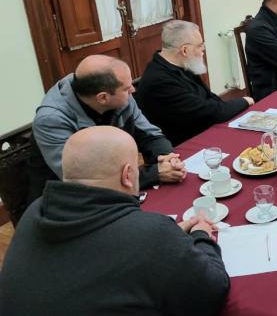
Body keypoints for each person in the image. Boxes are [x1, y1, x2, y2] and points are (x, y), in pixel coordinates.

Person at [0, 126, 229, 315]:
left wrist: (170, 239)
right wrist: (200, 235)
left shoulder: (35, 211)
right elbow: (212, 292)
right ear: (127, 175)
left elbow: (94, 255)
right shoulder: (150, 234)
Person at [27, 55, 186, 204]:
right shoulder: (51, 120)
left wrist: (167, 158)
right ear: (102, 98)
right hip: (67, 203)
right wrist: (154, 173)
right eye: (126, 88)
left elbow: (149, 135)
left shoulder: (118, 96)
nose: (133, 90)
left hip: (116, 186)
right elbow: (82, 180)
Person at [135, 20, 254, 145]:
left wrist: (228, 107)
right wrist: (244, 101)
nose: (203, 50)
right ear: (185, 50)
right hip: (184, 146)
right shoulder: (160, 82)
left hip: (203, 129)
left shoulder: (181, 64)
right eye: (200, 46)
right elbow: (209, 113)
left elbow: (209, 98)